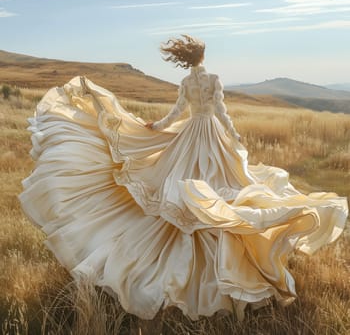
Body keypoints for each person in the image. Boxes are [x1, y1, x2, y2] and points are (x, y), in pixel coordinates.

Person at [19, 34, 348, 321]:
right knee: (225, 191)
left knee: (180, 193)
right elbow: (221, 113)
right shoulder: (213, 79)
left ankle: (196, 272)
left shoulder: (188, 84)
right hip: (213, 136)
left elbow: (177, 113)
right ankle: (227, 277)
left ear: (187, 60)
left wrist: (156, 128)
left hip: (190, 136)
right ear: (203, 57)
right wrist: (234, 139)